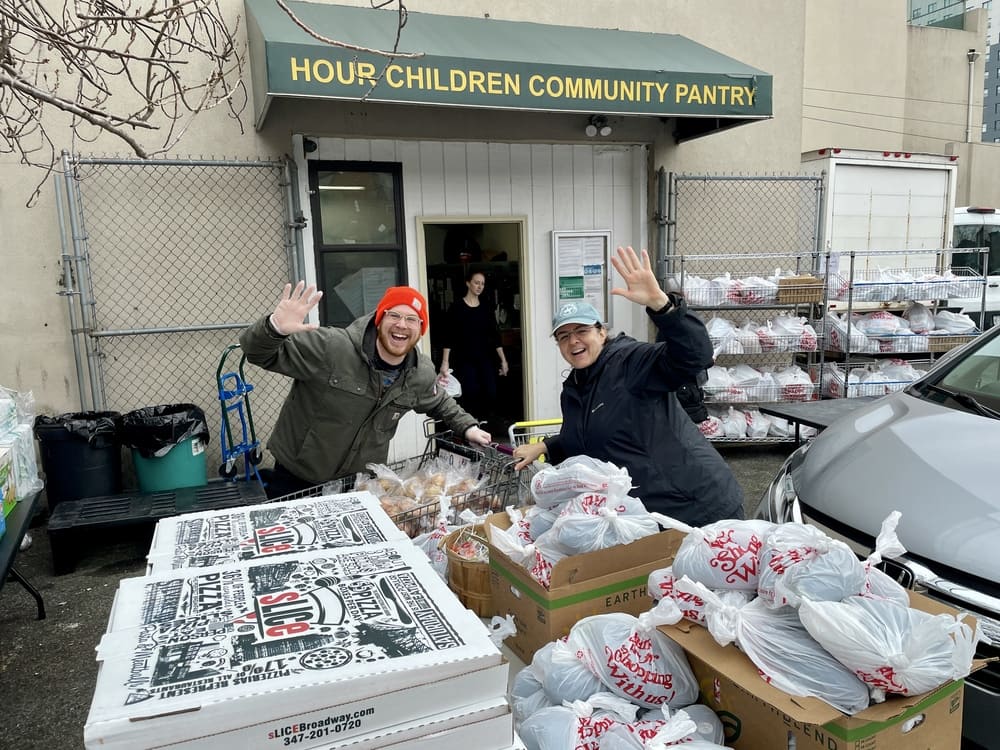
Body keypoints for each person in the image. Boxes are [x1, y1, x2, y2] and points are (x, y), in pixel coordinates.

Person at [512, 246, 744, 526]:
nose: (573, 341)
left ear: (601, 332)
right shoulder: (575, 387)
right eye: (563, 336)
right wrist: (545, 447)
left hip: (697, 505)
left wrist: (662, 306)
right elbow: (586, 436)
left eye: (582, 331)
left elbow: (695, 356)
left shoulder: (631, 361)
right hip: (648, 515)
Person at [240, 282, 492, 498]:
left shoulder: (420, 372)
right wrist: (274, 328)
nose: (402, 325)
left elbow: (439, 402)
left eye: (412, 319)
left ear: (421, 329)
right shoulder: (332, 347)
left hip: (358, 484)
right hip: (298, 477)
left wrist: (468, 427)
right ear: (379, 319)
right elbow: (258, 353)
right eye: (394, 315)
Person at [438, 269, 509, 432]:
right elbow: (448, 336)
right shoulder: (456, 307)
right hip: (464, 359)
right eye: (476, 283)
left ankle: (485, 424)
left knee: (491, 391)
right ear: (468, 283)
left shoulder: (486, 307)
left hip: (485, 358)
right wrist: (445, 362)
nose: (479, 286)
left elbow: (494, 335)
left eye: (482, 284)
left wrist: (503, 360)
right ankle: (470, 426)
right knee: (470, 392)